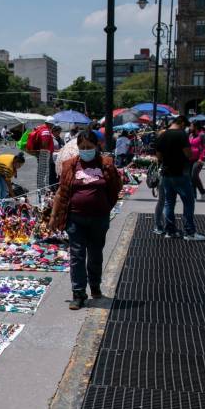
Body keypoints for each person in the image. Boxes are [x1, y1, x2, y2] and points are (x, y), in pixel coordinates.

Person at [49, 130, 122, 310]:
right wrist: (53, 216)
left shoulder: (106, 165)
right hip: (75, 219)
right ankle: (78, 293)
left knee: (95, 254)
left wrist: (104, 207)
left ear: (97, 147)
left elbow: (116, 188)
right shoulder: (70, 166)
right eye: (82, 148)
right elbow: (62, 192)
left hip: (99, 219)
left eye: (89, 147)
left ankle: (95, 286)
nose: (86, 150)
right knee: (77, 256)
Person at [154, 115, 205, 241]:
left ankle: (170, 231)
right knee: (188, 202)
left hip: (167, 173)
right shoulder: (181, 134)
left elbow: (159, 156)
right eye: (185, 125)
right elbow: (188, 154)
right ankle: (190, 232)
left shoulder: (162, 135)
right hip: (180, 173)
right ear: (182, 123)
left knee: (169, 203)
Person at [188, 123, 205, 201]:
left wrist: (201, 158)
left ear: (195, 127)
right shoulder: (190, 135)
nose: (190, 128)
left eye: (191, 126)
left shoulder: (202, 135)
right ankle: (193, 195)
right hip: (190, 159)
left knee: (194, 175)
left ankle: (202, 192)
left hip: (198, 160)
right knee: (190, 177)